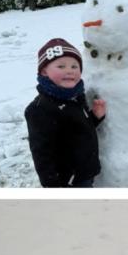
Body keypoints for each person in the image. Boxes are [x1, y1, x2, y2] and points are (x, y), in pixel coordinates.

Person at [24, 38, 106, 187]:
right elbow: (41, 154)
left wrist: (95, 116)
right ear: (44, 71)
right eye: (61, 66)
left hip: (86, 173)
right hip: (67, 182)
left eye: (75, 66)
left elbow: (79, 130)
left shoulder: (75, 97)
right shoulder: (40, 109)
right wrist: (53, 186)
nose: (69, 70)